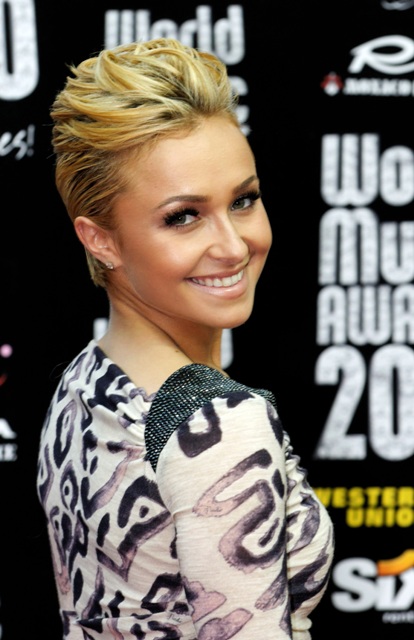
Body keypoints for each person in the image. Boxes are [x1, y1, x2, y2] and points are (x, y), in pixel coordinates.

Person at [36, 38, 334, 640]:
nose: (233, 245)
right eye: (183, 216)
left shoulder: (87, 378)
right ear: (101, 240)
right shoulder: (213, 426)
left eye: (244, 200)